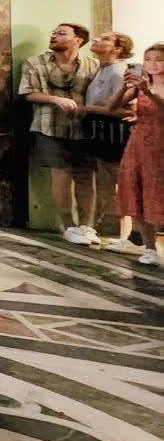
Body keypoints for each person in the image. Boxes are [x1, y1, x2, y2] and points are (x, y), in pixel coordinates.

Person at [19, 22, 100, 243]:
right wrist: (55, 99)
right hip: (49, 126)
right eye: (53, 32)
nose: (54, 36)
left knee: (85, 177)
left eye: (61, 33)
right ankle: (69, 226)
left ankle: (86, 226)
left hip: (84, 128)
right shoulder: (36, 63)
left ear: (78, 40)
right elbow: (28, 93)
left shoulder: (92, 65)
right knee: (61, 175)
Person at [108, 43, 164, 266]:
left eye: (158, 59)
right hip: (139, 144)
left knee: (158, 191)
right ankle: (149, 247)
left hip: (161, 144)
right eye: (148, 59)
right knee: (137, 191)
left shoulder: (150, 88)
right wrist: (124, 86)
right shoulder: (141, 85)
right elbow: (111, 107)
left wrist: (149, 92)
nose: (152, 64)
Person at [84, 31, 136, 248]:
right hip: (102, 131)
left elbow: (126, 110)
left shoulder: (117, 72)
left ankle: (129, 234)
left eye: (105, 39)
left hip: (115, 133)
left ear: (117, 48)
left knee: (121, 182)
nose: (97, 40)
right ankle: (121, 232)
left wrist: (85, 109)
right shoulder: (102, 69)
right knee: (110, 183)